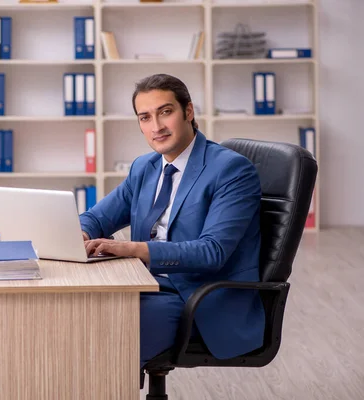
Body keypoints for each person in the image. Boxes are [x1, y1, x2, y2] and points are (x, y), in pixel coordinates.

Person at [79, 73, 265, 368]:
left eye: (165, 112)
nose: (156, 127)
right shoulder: (145, 167)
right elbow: (97, 217)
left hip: (197, 298)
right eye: (145, 117)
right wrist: (81, 232)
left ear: (188, 112)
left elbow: (212, 251)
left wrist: (135, 249)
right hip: (143, 282)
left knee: (101, 340)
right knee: (71, 316)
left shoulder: (231, 170)